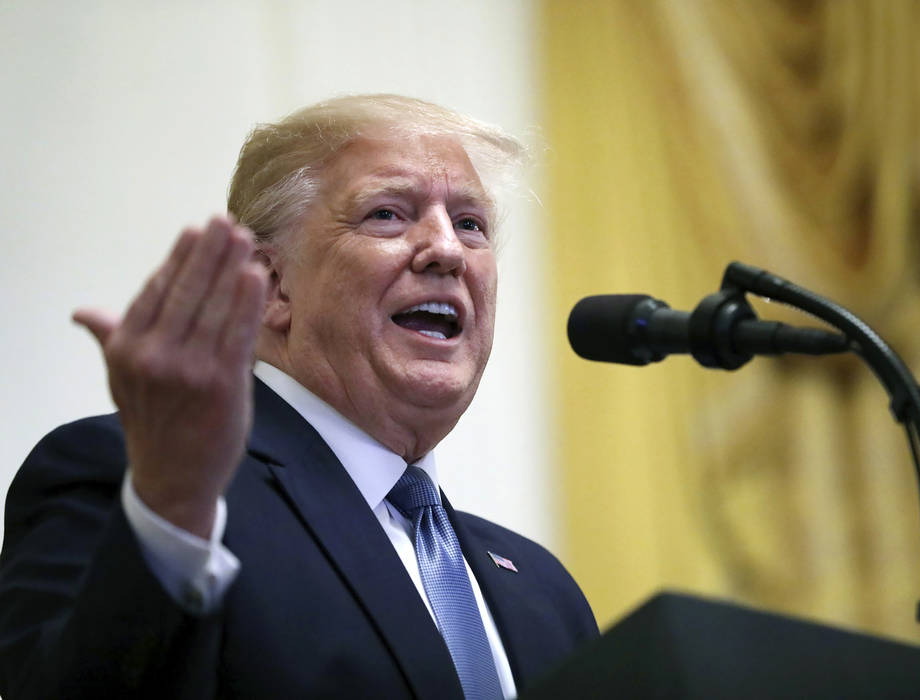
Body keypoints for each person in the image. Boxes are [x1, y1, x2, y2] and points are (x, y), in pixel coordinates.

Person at [0, 94, 598, 699]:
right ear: (272, 287)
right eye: (388, 213)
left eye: (471, 224)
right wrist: (170, 510)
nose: (446, 249)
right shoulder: (147, 488)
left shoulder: (543, 590)